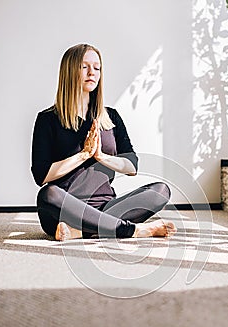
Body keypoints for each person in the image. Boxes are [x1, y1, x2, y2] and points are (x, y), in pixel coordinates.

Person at [31, 43, 176, 241]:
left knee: (160, 190)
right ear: (69, 71)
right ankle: (133, 230)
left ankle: (81, 231)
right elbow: (42, 175)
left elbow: (132, 166)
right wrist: (84, 155)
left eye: (97, 68)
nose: (92, 72)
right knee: (48, 194)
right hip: (65, 209)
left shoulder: (111, 117)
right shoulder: (47, 120)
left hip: (106, 206)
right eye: (84, 67)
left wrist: (100, 156)